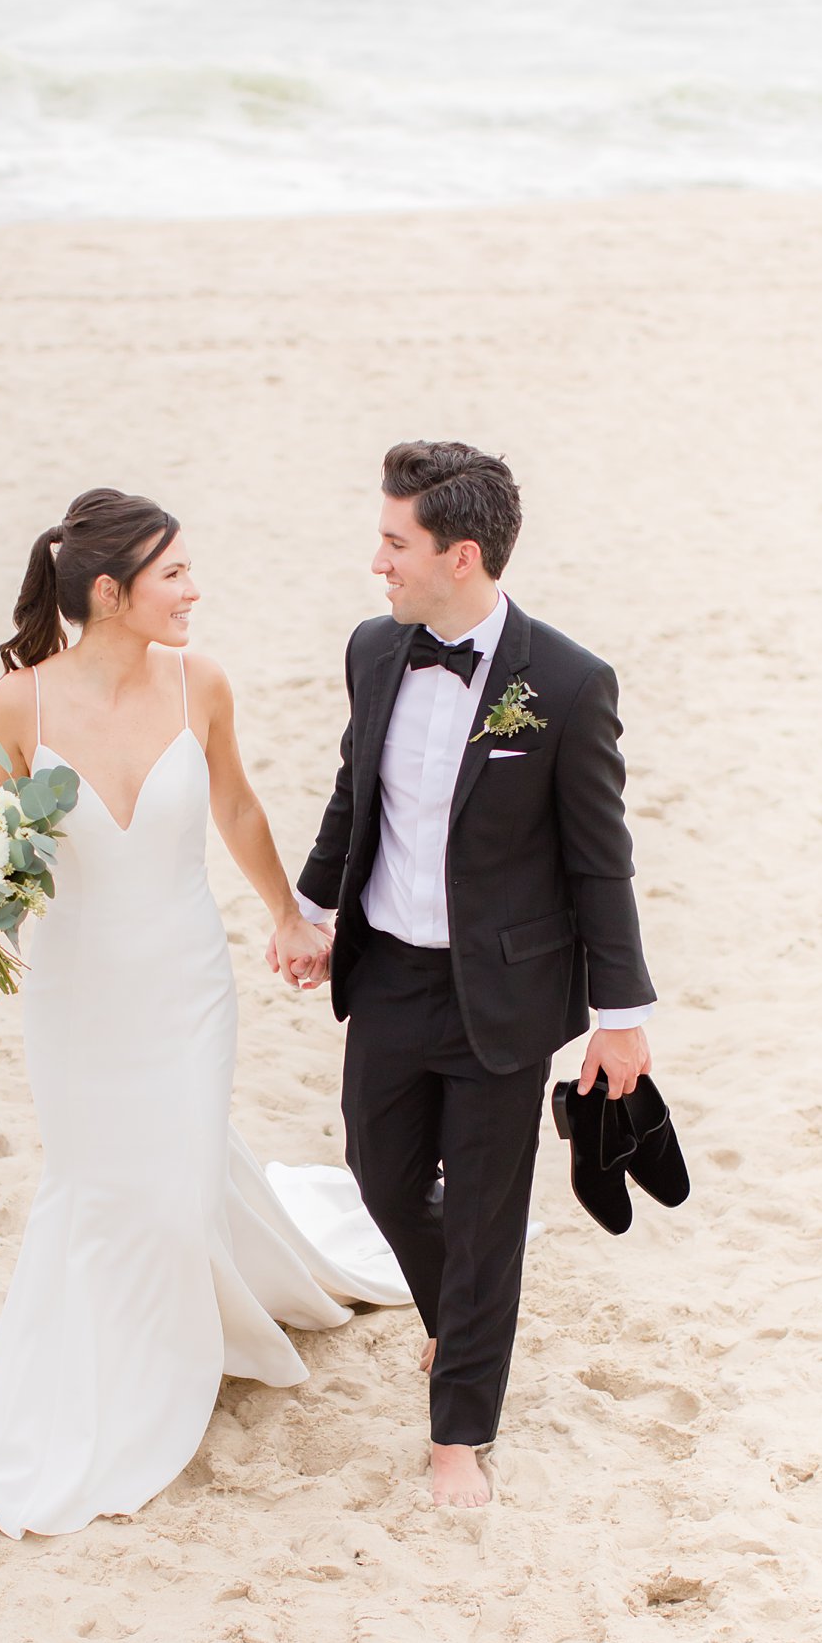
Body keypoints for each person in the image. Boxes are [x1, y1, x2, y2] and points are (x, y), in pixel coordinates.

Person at [0, 486, 412, 1540]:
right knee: (101, 1181)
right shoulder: (15, 705)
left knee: (174, 1181)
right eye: (172, 574)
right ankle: (105, 1360)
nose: (192, 590)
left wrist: (289, 916)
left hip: (183, 981)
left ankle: (169, 1369)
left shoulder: (199, 683)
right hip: (75, 995)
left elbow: (237, 805)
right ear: (109, 593)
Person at [281, 441, 657, 1509]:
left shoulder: (568, 684)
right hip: (391, 975)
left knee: (487, 1209)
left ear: (460, 555)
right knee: (379, 1171)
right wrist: (309, 912)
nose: (376, 564)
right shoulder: (373, 651)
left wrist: (617, 1017)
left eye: (393, 544)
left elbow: (599, 858)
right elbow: (354, 799)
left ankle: (459, 1439)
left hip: (506, 995)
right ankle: (454, 1317)